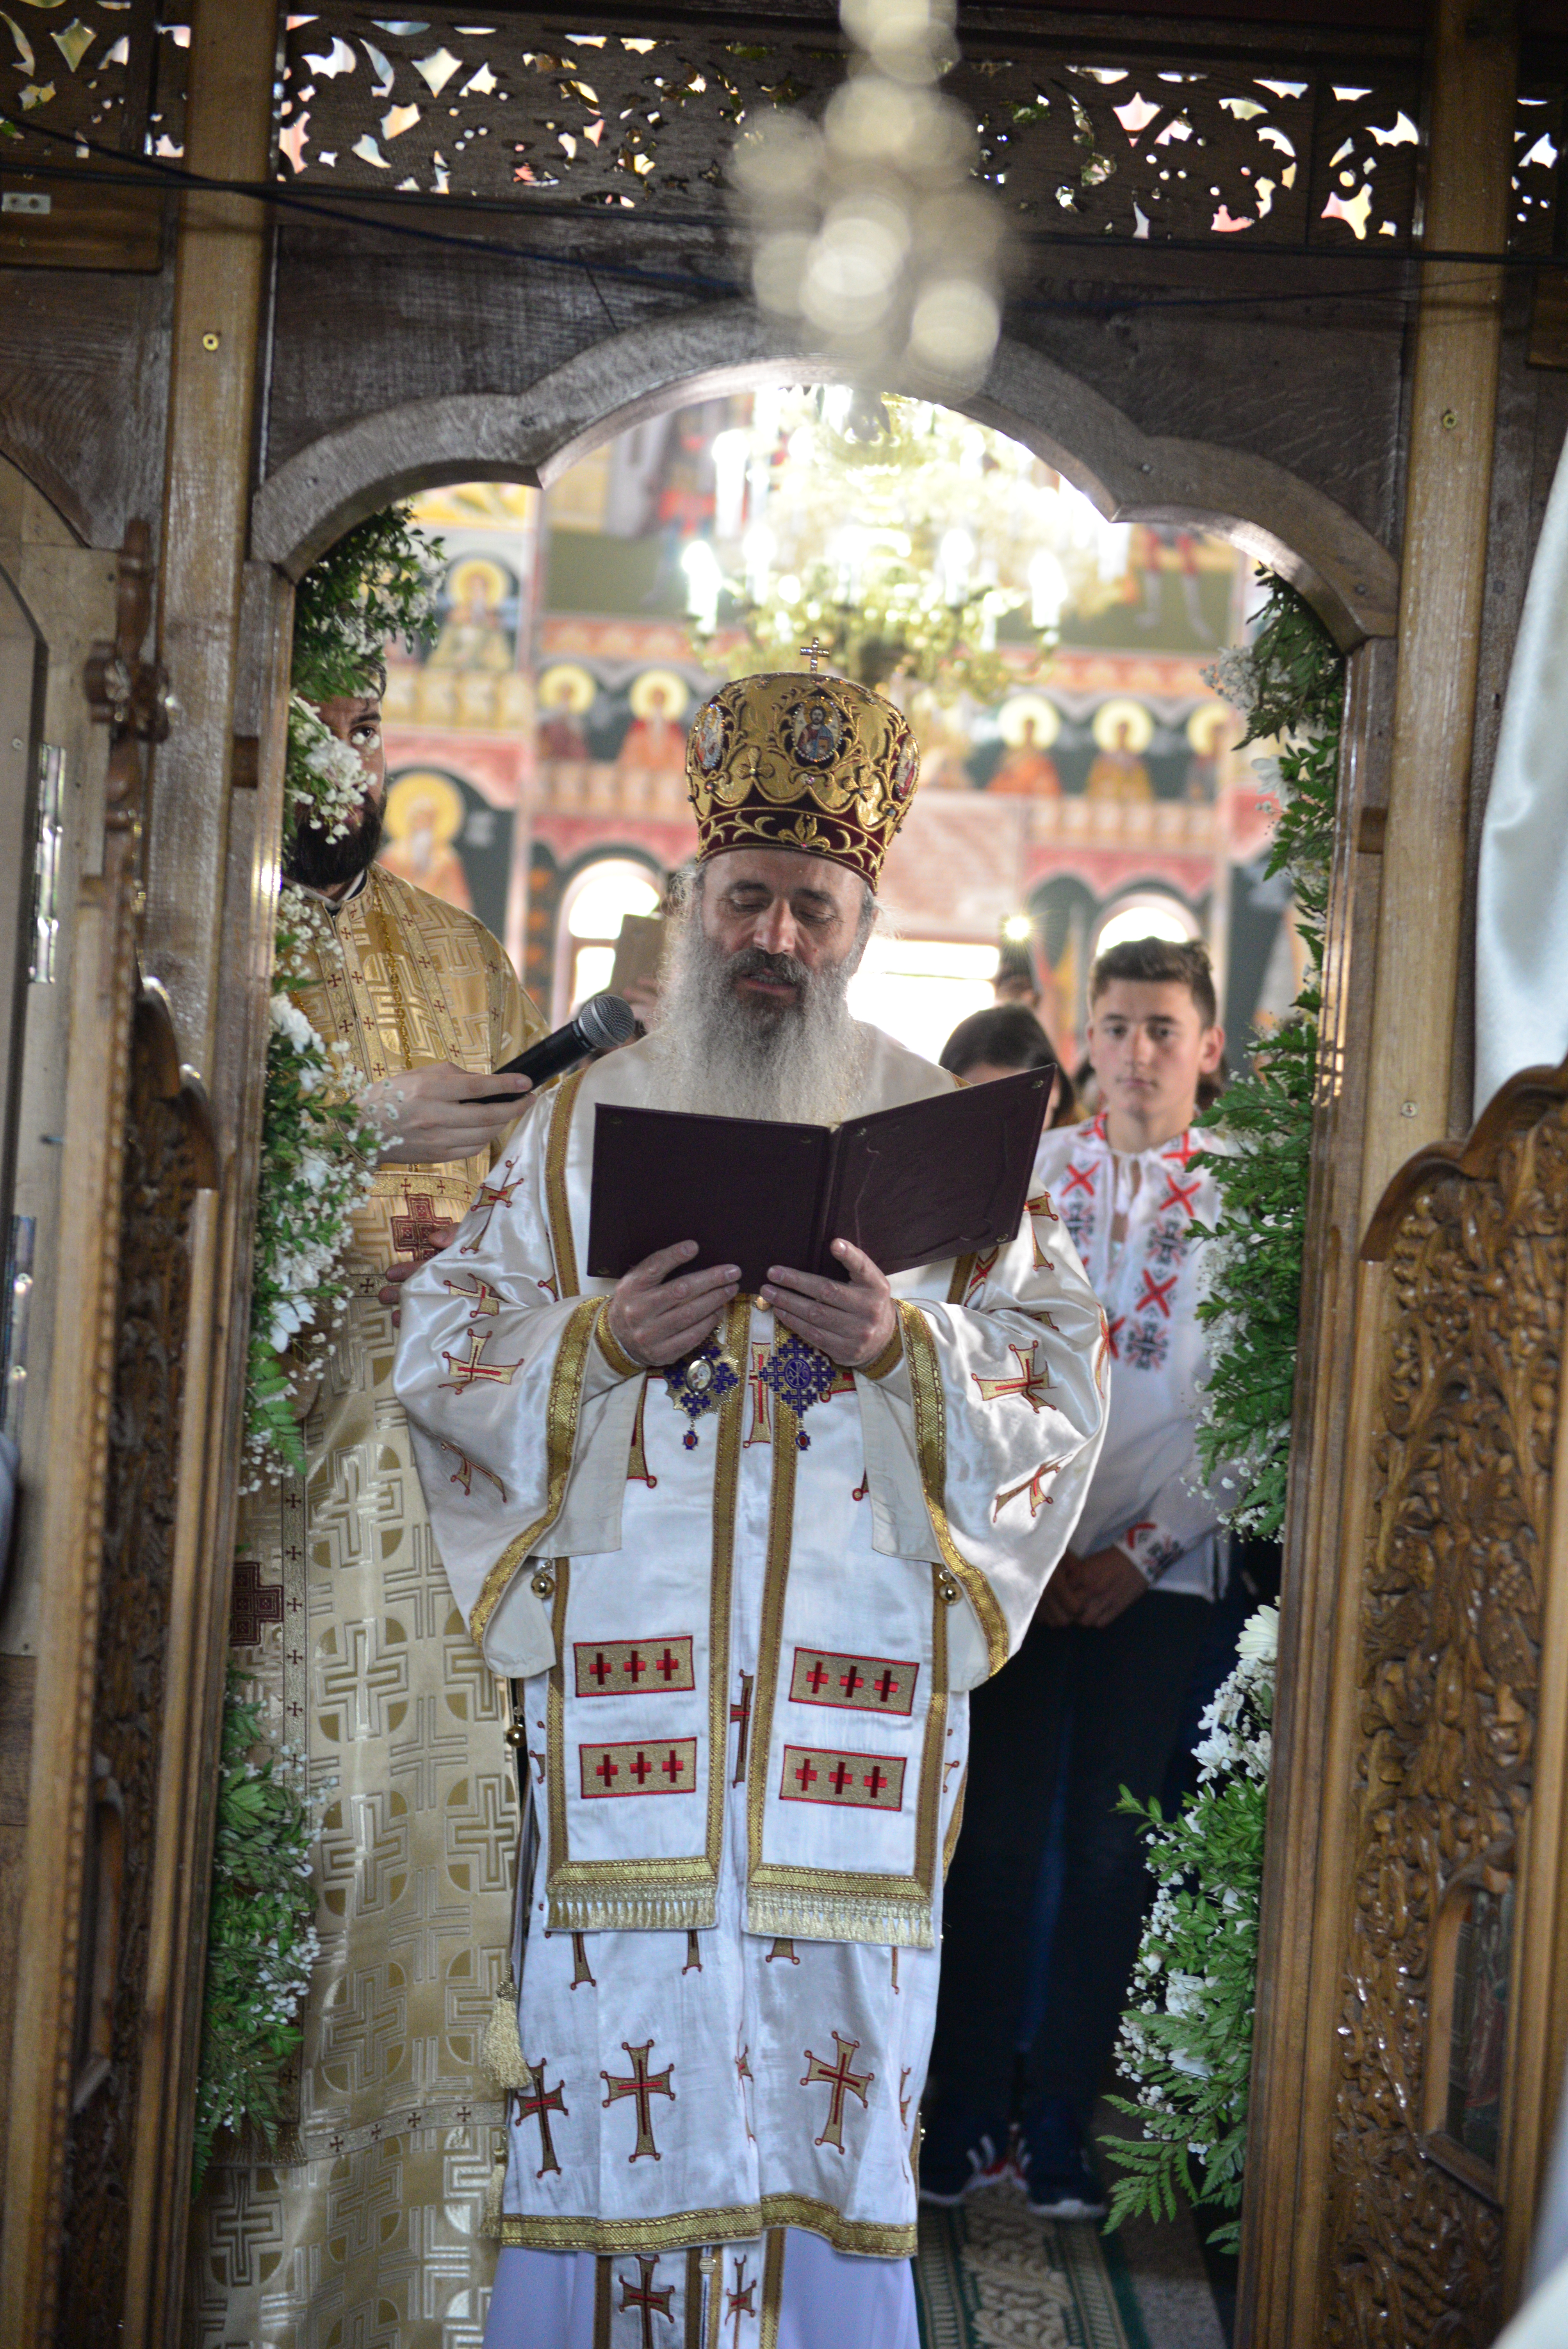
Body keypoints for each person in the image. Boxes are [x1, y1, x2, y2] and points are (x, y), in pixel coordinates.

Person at [393, 670, 1111, 2346]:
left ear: (855, 921)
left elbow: (1057, 1372)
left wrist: (909, 1344)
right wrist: (585, 1342)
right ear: (693, 903)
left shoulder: (948, 1145)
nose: (772, 931)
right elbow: (446, 1337)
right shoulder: (572, 1125)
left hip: (839, 1737)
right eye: (745, 897)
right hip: (629, 1716)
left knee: (832, 2071)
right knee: (605, 2057)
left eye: (810, 903)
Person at [190, 663, 544, 2344]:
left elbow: (553, 1237)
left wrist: (470, 1250)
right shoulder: (191, 935)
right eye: (316, 706)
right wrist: (339, 1159)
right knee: (272, 1911)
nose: (348, 743)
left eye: (365, 711)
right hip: (248, 1520)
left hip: (441, 1538)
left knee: (428, 1916)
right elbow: (124, 1186)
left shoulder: (462, 954)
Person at [923, 935, 1230, 2219]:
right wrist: (1034, 1537)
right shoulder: (1024, 1179)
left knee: (1111, 1852)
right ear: (1083, 1042)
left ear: (1208, 1044)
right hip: (1020, 1561)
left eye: (1161, 1027)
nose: (1135, 1051)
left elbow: (1261, 1408)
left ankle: (1058, 2115)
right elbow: (967, 1356)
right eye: (1113, 1025)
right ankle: (959, 2114)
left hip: (1160, 1576)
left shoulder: (1256, 1202)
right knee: (986, 1841)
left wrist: (1139, 1548)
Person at [939, 1002, 1078, 1126]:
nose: (998, 1125)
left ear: (1054, 1088)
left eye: (1014, 1105)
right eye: (977, 1104)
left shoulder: (1092, 1151)